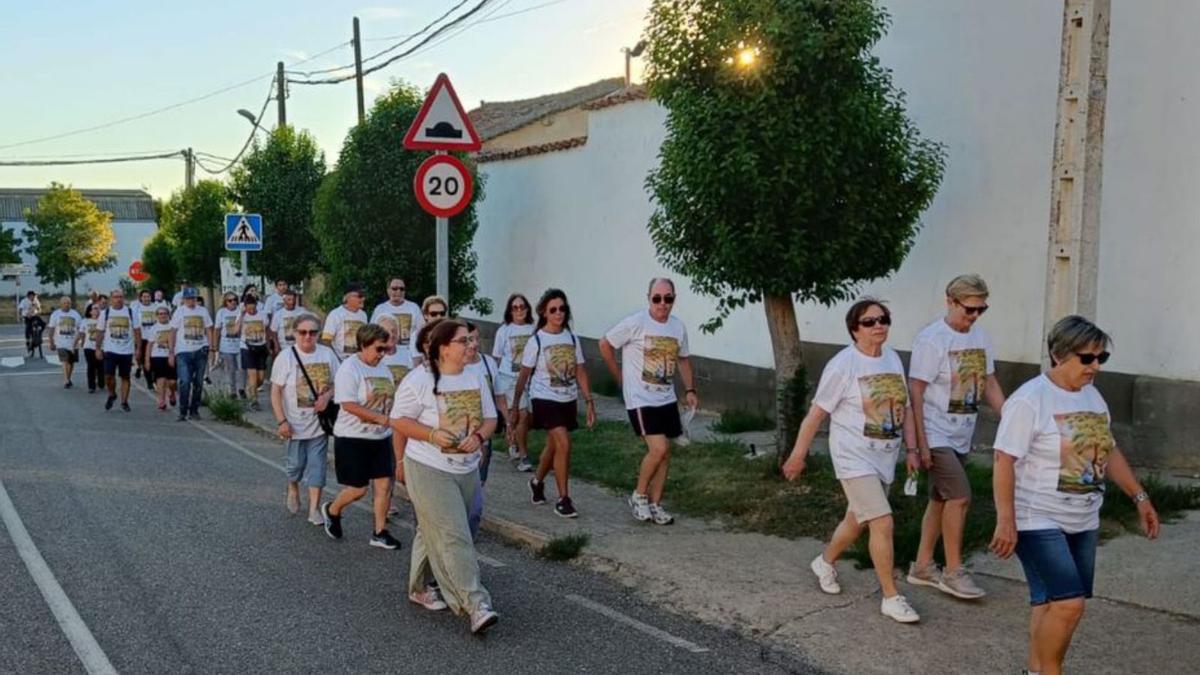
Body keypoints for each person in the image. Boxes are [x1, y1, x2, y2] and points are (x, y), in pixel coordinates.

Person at [989, 315, 1159, 675]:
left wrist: (1139, 497)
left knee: (1050, 603)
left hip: (1083, 518)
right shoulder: (1030, 400)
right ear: (1059, 354)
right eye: (1087, 358)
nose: (1095, 366)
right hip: (1037, 517)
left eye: (1101, 358)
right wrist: (1006, 520)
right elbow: (1004, 459)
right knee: (1070, 605)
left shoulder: (1093, 397)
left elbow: (1108, 450)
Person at [782, 298, 921, 624]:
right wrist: (797, 455)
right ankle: (891, 596)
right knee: (882, 521)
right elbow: (816, 415)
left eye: (884, 319)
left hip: (884, 456)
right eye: (870, 322)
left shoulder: (893, 359)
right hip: (852, 455)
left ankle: (825, 561)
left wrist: (913, 450)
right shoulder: (843, 365)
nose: (879, 326)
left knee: (857, 520)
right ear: (855, 329)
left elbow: (907, 409)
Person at [390, 319, 499, 634]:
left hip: (467, 468)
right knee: (454, 534)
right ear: (443, 348)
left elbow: (490, 419)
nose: (471, 345)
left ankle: (418, 586)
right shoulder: (418, 380)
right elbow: (398, 421)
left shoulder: (476, 375)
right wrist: (431, 434)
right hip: (428, 468)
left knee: (433, 527)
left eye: (471, 340)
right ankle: (476, 603)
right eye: (464, 341)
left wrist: (478, 438)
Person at [906, 274, 1005, 600]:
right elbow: (916, 393)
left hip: (962, 431)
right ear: (950, 301)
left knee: (940, 500)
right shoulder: (932, 340)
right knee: (960, 497)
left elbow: (988, 381)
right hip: (935, 431)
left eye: (982, 309)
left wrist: (1010, 417)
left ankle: (921, 566)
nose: (975, 316)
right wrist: (920, 443)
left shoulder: (980, 336)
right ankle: (952, 571)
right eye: (970, 309)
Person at [599, 277, 698, 526]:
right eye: (657, 298)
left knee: (666, 454)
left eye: (668, 298)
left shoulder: (677, 327)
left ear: (674, 299)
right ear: (649, 298)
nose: (662, 304)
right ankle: (639, 495)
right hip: (641, 398)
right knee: (659, 449)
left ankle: (655, 503)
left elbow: (683, 359)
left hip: (666, 397)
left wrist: (690, 389)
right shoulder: (636, 322)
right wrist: (619, 377)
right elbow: (605, 343)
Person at [511, 289, 596, 518]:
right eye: (553, 310)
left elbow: (580, 370)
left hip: (567, 398)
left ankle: (537, 481)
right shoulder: (536, 340)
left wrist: (589, 400)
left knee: (553, 446)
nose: (559, 313)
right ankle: (563, 498)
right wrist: (515, 405)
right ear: (544, 313)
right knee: (564, 443)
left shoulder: (571, 337)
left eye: (562, 308)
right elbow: (523, 375)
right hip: (544, 399)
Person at [320, 323, 402, 550]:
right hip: (353, 437)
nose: (382, 354)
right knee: (358, 489)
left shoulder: (383, 369)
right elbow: (348, 405)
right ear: (364, 345)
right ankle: (332, 509)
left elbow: (389, 398)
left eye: (385, 349)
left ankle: (379, 532)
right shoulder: (350, 368)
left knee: (384, 485)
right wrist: (379, 418)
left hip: (380, 437)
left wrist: (391, 418)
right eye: (378, 349)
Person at [270, 313, 339, 526]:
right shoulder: (286, 357)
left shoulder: (327, 354)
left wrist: (327, 396)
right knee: (296, 465)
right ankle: (293, 486)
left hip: (319, 423)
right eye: (303, 332)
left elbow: (340, 383)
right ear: (294, 333)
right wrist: (282, 421)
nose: (308, 336)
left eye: (312, 332)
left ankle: (314, 508)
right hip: (294, 424)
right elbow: (275, 391)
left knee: (318, 466)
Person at [463, 322, 501, 537]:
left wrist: (508, 420)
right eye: (468, 339)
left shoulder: (487, 364)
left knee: (478, 486)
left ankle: (469, 531)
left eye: (477, 338)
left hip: (481, 436)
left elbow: (498, 396)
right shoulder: (449, 369)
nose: (474, 344)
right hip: (458, 440)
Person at [492, 293, 535, 472]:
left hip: (528, 378)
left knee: (525, 417)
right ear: (510, 311)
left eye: (522, 307)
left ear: (527, 309)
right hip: (508, 377)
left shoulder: (534, 329)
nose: (519, 310)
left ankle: (513, 442)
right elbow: (497, 357)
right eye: (515, 307)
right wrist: (493, 382)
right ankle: (523, 455)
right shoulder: (504, 330)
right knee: (520, 414)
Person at [169, 287, 213, 421]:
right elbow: (173, 332)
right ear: (184, 299)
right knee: (185, 381)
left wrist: (212, 348)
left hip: (200, 350)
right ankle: (183, 410)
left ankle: (194, 409)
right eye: (188, 298)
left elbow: (209, 329)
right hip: (183, 351)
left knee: (199, 382)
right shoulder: (179, 312)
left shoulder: (203, 311)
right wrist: (171, 352)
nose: (191, 301)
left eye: (193, 298)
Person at [94, 289, 140, 412]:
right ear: (111, 299)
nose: (119, 299)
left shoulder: (130, 312)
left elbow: (137, 331)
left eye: (120, 297)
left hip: (126, 350)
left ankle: (124, 401)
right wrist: (97, 348)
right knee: (109, 376)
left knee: (125, 377)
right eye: (116, 297)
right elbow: (99, 331)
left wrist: (138, 348)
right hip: (110, 350)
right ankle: (112, 393)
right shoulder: (106, 313)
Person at [371, 277, 424, 353]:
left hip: (409, 353)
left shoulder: (414, 308)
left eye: (402, 289)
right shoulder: (380, 309)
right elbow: (372, 332)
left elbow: (421, 330)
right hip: (386, 353)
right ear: (388, 290)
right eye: (394, 288)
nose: (398, 291)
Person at [236, 294, 270, 411]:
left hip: (260, 346)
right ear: (245, 307)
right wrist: (241, 314)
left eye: (253, 308)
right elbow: (236, 330)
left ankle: (251, 390)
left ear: (256, 306)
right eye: (249, 308)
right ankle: (254, 401)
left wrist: (268, 345)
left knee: (260, 378)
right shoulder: (242, 316)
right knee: (252, 375)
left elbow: (267, 329)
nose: (251, 310)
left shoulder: (263, 315)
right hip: (246, 347)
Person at [321, 283, 369, 361]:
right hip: (340, 361)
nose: (363, 299)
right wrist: (335, 360)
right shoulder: (335, 314)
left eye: (364, 296)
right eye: (359, 296)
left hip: (359, 361)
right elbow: (326, 341)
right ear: (347, 298)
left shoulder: (363, 315)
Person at [143, 307, 176, 411]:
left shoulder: (173, 326)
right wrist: (147, 360)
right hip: (157, 356)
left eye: (165, 313)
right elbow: (149, 345)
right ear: (157, 316)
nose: (162, 315)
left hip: (171, 356)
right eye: (160, 314)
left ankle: (172, 392)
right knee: (160, 380)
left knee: (172, 382)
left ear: (168, 315)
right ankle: (161, 401)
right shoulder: (154, 328)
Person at [47, 295, 83, 388]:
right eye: (64, 303)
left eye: (68, 303)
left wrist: (81, 339)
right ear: (61, 304)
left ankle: (68, 378)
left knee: (71, 362)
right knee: (64, 360)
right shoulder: (55, 314)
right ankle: (66, 380)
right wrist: (51, 341)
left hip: (73, 343)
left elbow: (80, 328)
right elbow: (51, 329)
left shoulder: (75, 314)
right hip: (60, 342)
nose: (67, 305)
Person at [214, 292, 245, 397]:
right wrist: (215, 346)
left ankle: (242, 388)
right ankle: (232, 390)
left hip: (240, 344)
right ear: (225, 302)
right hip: (226, 345)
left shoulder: (241, 311)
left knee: (242, 368)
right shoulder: (221, 312)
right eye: (230, 300)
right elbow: (217, 330)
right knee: (231, 369)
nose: (233, 302)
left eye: (235, 299)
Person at [131, 289, 156, 383]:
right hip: (142, 337)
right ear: (141, 298)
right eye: (144, 297)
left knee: (153, 359)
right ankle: (149, 380)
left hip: (154, 338)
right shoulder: (136, 308)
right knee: (143, 359)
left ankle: (153, 377)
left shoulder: (155, 307)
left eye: (148, 296)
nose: (146, 299)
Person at [269, 288, 305, 354]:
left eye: (293, 300)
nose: (292, 302)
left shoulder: (302, 311)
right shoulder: (278, 314)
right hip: (284, 347)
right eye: (289, 300)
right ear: (284, 300)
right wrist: (276, 345)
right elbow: (274, 332)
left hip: (299, 346)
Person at [80, 304, 102, 393]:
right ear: (90, 311)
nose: (97, 310)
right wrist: (82, 342)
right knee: (91, 367)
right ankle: (91, 386)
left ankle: (101, 382)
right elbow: (82, 333)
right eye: (95, 309)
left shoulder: (103, 321)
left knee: (101, 367)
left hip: (102, 347)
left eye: (98, 309)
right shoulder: (85, 321)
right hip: (89, 347)